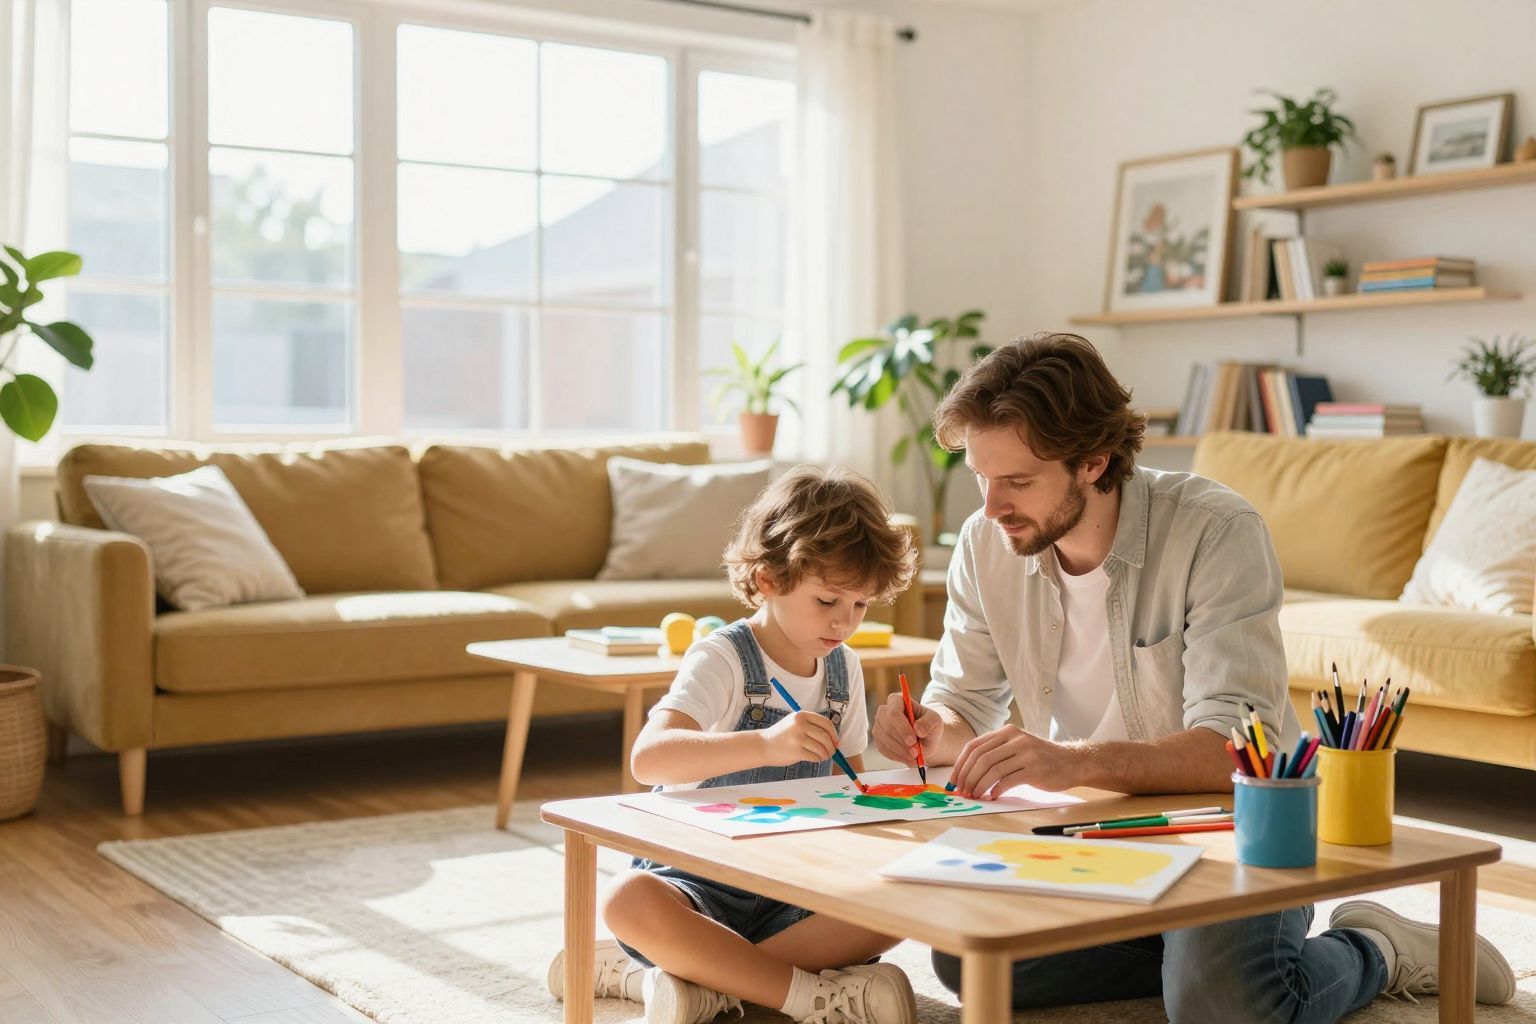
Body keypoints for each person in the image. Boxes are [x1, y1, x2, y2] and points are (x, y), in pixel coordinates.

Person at [871, 333, 1516, 1020]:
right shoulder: (986, 542)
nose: (991, 505)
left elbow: (1233, 746)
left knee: (1224, 1008)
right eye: (981, 477)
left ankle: (1374, 947)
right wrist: (933, 726)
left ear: (1093, 461)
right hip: (1095, 830)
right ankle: (1181, 948)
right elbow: (965, 700)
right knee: (972, 959)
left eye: (1018, 482)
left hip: (1233, 825)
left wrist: (1070, 762)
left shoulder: (1215, 530)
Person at [549, 465, 920, 1024]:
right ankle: (809, 997)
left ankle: (685, 980)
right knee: (627, 899)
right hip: (697, 884)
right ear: (768, 579)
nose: (845, 623)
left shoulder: (843, 668)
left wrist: (893, 812)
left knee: (904, 894)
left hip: (794, 884)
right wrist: (765, 745)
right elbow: (650, 758)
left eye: (861, 605)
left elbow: (850, 787)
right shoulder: (723, 657)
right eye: (827, 601)